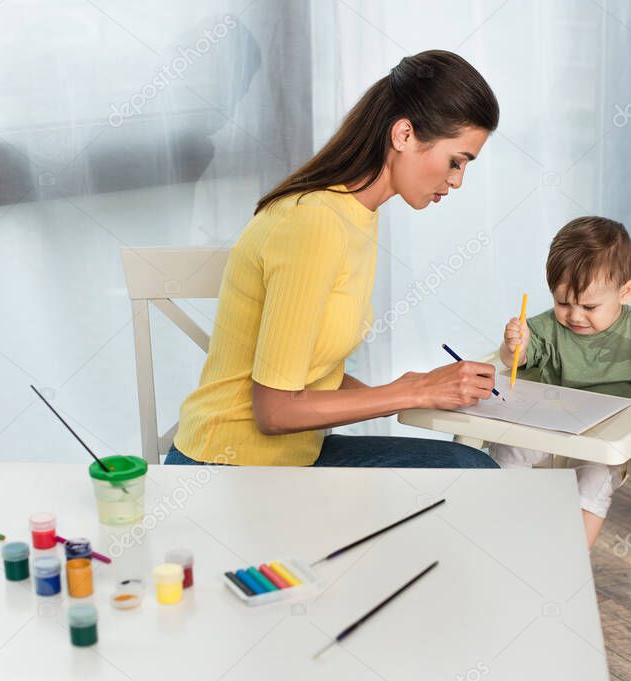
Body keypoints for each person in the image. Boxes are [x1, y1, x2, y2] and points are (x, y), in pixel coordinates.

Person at [167, 50, 502, 468]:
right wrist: (414, 392)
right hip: (230, 468)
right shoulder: (314, 225)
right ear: (403, 135)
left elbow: (312, 368)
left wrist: (427, 395)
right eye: (456, 161)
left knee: (469, 467)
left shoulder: (357, 215)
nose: (457, 180)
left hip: (295, 459)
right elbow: (273, 412)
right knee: (470, 472)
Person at [493, 216, 631, 547]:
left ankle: (568, 561)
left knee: (595, 483)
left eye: (589, 306)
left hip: (605, 445)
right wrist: (515, 345)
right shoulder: (547, 327)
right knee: (505, 448)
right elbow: (516, 360)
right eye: (563, 303)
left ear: (625, 292)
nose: (574, 316)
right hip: (549, 431)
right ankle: (506, 540)